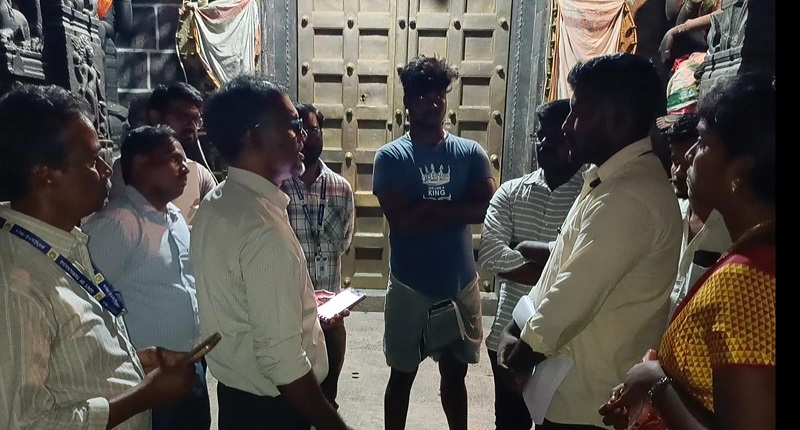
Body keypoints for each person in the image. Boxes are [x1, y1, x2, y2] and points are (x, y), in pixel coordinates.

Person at [497, 52, 683, 429]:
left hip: (589, 404)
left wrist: (521, 357)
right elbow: (560, 267)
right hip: (572, 390)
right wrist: (515, 329)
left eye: (578, 112)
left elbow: (573, 293)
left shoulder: (630, 195)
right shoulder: (610, 181)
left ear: (619, 118)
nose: (567, 126)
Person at [0, 83, 195, 429]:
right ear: (46, 176)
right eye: (92, 161)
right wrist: (143, 396)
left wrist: (131, 362)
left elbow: (65, 365)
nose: (106, 171)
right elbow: (25, 423)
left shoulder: (65, 245)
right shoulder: (17, 283)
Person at [599, 73, 776, 430]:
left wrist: (655, 382)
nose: (690, 155)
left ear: (740, 168)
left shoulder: (749, 279)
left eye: (704, 142)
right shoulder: (751, 252)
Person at [191, 74, 350, 430]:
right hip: (275, 409)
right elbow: (284, 362)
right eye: (292, 125)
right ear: (255, 135)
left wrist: (301, 301)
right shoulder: (262, 228)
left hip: (237, 399)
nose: (303, 135)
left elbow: (239, 299)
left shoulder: (218, 201)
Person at [373, 55, 496, 430]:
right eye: (423, 95)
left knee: (456, 376)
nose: (434, 102)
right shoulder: (391, 157)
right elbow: (403, 221)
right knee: (401, 377)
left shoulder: (470, 153)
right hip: (410, 286)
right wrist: (458, 207)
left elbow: (485, 208)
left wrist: (426, 207)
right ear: (407, 101)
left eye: (440, 94)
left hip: (460, 284)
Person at [83, 125, 211, 429]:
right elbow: (87, 302)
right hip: (146, 379)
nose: (185, 169)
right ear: (141, 163)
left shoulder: (174, 217)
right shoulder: (119, 223)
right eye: (174, 160)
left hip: (189, 365)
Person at [478, 98, 583, 430]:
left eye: (556, 136)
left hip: (564, 344)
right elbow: (490, 253)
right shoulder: (510, 192)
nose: (545, 143)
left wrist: (521, 252)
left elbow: (587, 265)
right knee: (509, 424)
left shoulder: (589, 198)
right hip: (508, 337)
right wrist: (558, 268)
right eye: (541, 135)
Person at [280, 102, 355, 410]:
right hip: (287, 312)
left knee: (327, 397)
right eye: (299, 129)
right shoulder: (277, 187)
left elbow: (344, 242)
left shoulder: (341, 188)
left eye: (312, 129)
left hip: (330, 316)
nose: (306, 137)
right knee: (290, 399)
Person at [109, 82, 217, 223]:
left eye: (196, 119)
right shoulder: (123, 169)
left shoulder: (200, 174)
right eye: (182, 117)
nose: (192, 126)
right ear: (155, 117)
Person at [662, 113, 731, 320]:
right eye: (675, 161)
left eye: (689, 162)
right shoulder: (669, 213)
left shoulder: (731, 228)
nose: (679, 172)